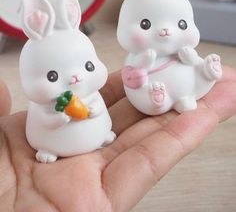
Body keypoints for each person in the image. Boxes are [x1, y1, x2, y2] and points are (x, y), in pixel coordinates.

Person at [0, 66, 236, 212]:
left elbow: (97, 110)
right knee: (50, 136)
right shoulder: (42, 105)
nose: (75, 77)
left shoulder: (90, 93)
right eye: (52, 75)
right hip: (46, 139)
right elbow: (48, 120)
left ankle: (103, 135)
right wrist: (61, 118)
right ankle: (48, 148)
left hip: (100, 130)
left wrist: (92, 112)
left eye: (88, 66)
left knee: (102, 122)